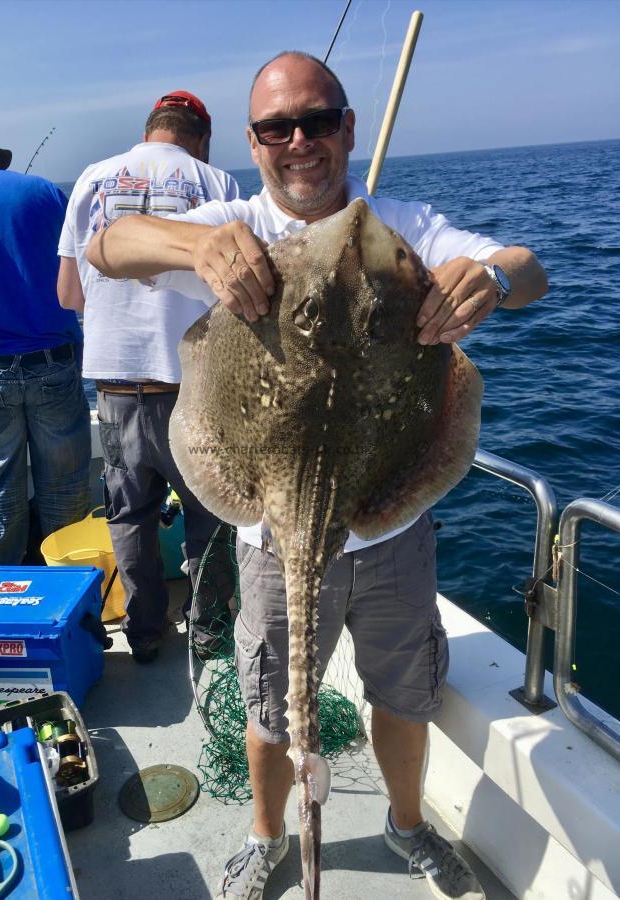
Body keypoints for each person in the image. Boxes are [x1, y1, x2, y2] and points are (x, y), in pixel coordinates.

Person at [88, 53, 548, 900]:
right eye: (275, 127)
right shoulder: (232, 223)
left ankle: (405, 827)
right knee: (273, 705)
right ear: (254, 144)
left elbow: (530, 271)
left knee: (403, 693)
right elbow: (106, 244)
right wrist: (198, 245)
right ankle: (269, 838)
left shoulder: (400, 225)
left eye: (316, 120)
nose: (298, 140)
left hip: (391, 522)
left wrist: (485, 277)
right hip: (267, 530)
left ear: (345, 127)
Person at [57, 91, 239, 663]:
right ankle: (209, 633)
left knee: (130, 516)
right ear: (201, 136)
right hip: (197, 390)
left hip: (115, 387)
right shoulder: (218, 183)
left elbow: (68, 294)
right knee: (208, 515)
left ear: (149, 130)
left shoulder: (91, 179)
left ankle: (144, 632)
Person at [0, 117, 91, 566]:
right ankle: (72, 597)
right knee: (65, 488)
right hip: (55, 362)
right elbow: (82, 266)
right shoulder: (41, 191)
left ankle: (2, 592)